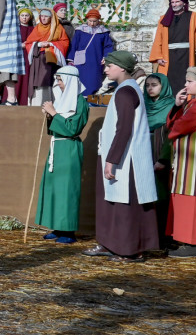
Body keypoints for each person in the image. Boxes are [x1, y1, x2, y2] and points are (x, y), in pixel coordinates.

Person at [83, 51, 159, 263]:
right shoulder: (125, 90)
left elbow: (124, 129)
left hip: (127, 159)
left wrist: (112, 159)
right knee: (111, 203)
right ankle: (111, 243)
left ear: (122, 68)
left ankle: (131, 249)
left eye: (109, 66)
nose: (106, 69)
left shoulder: (126, 92)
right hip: (118, 156)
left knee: (127, 205)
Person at [35, 66, 89, 244]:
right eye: (57, 80)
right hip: (57, 148)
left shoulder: (80, 102)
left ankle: (68, 231)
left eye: (60, 80)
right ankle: (57, 227)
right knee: (54, 188)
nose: (58, 83)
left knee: (67, 189)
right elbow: (55, 129)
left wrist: (53, 113)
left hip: (69, 148)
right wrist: (50, 116)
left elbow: (72, 128)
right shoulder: (61, 101)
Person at [166, 66, 196, 257]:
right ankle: (187, 241)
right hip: (186, 163)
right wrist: (177, 105)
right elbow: (172, 125)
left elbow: (179, 127)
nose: (185, 85)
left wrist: (177, 117)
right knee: (185, 198)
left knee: (195, 199)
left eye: (190, 81)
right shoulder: (193, 103)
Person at [149, 0, 196, 94]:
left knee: (186, 79)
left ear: (184, 3)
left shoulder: (194, 17)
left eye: (177, 2)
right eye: (172, 2)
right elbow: (158, 39)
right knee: (169, 82)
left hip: (186, 55)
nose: (174, 4)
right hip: (169, 57)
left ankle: (185, 103)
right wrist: (158, 57)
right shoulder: (164, 18)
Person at [143, 73, 174, 247]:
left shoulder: (171, 106)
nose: (150, 88)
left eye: (154, 85)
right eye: (148, 85)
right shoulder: (143, 105)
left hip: (160, 153)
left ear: (163, 86)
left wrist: (163, 159)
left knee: (161, 195)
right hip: (144, 153)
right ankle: (147, 234)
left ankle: (163, 236)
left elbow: (172, 134)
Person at [24, 9, 70, 106]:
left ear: (51, 17)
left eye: (46, 16)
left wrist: (51, 44)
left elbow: (65, 42)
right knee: (38, 82)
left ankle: (51, 103)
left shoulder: (58, 28)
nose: (43, 18)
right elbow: (28, 43)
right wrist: (39, 44)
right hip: (38, 60)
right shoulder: (37, 28)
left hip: (52, 61)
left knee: (51, 82)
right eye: (42, 16)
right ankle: (36, 103)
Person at [67, 9, 114, 96]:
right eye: (90, 21)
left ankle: (92, 99)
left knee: (94, 81)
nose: (92, 23)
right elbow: (74, 45)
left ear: (98, 20)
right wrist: (71, 60)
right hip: (80, 63)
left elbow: (108, 46)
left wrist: (106, 57)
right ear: (86, 20)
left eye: (94, 21)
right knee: (80, 81)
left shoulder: (103, 32)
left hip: (96, 62)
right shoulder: (79, 31)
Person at [13, 8, 35, 105]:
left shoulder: (33, 29)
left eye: (27, 16)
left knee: (26, 78)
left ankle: (23, 101)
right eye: (22, 15)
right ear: (19, 17)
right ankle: (12, 99)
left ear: (30, 17)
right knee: (16, 78)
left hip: (28, 56)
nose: (24, 18)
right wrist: (20, 45)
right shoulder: (15, 28)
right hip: (17, 56)